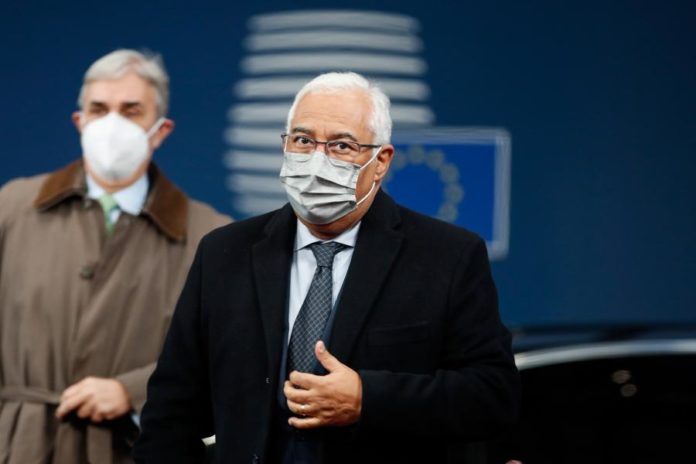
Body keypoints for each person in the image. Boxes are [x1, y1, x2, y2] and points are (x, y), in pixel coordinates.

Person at [133, 72, 520, 464]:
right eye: (303, 140)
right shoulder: (224, 253)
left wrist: (368, 398)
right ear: (285, 146)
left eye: (341, 145)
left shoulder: (447, 256)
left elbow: (492, 395)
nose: (317, 161)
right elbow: (172, 409)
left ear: (381, 161)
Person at [0, 49, 230, 463]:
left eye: (131, 110)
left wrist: (134, 390)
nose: (112, 124)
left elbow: (225, 357)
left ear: (160, 130)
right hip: (18, 445)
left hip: (132, 450)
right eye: (99, 109)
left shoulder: (209, 235)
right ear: (79, 121)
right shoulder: (12, 208)